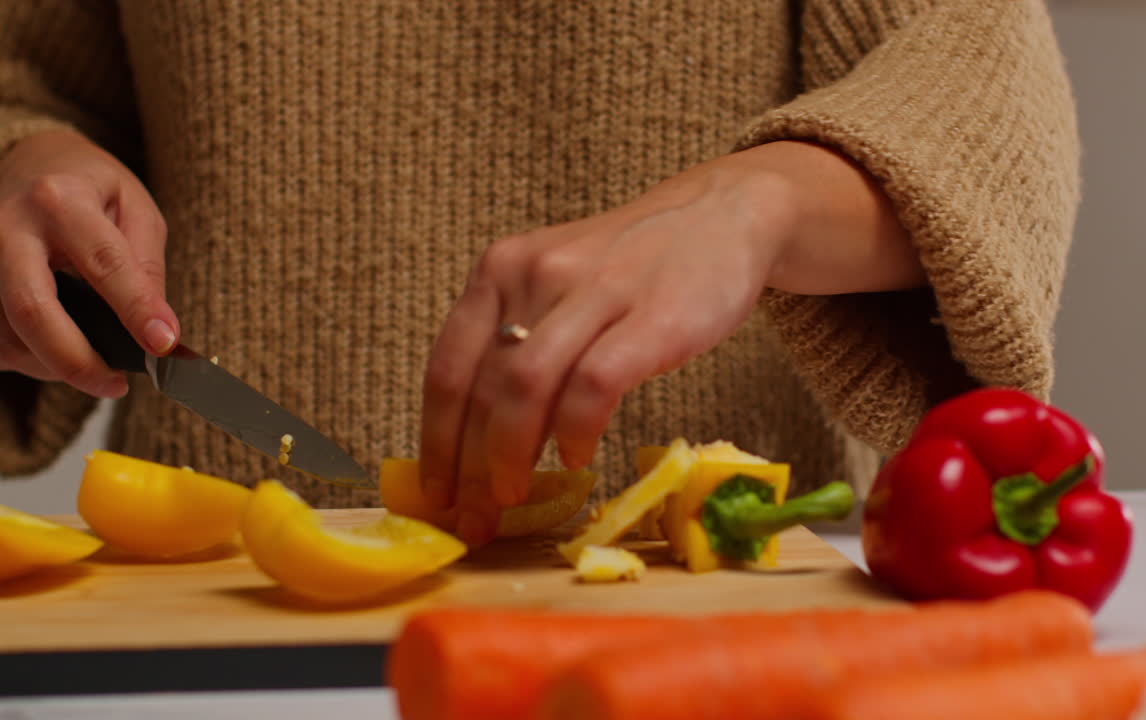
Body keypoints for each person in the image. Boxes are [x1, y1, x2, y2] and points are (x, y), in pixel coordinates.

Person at [0, 1, 1079, 547]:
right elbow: (30, 75)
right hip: (210, 626)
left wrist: (759, 204)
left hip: (705, 616)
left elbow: (978, 76)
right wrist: (18, 158)